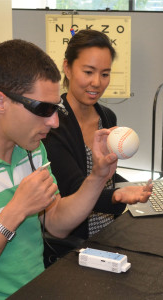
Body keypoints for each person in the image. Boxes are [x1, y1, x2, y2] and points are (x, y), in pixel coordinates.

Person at [0, 39, 152, 299]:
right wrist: (15, 211)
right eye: (44, 109)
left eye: (56, 108)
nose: (55, 121)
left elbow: (57, 223)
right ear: (0, 102)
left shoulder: (31, 149)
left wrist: (98, 177)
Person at [43, 29, 138, 239]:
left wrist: (132, 188)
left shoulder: (107, 118)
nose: (97, 82)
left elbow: (108, 177)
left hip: (109, 231)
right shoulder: (52, 124)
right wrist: (117, 196)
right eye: (88, 72)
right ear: (67, 68)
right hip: (76, 241)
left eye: (105, 74)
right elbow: (74, 189)